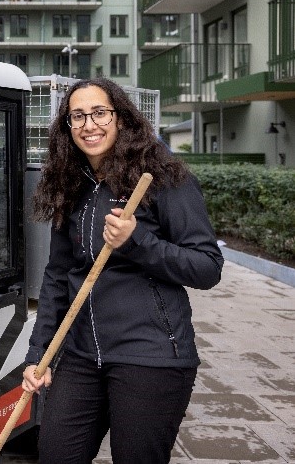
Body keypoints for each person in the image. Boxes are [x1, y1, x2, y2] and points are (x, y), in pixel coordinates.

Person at [22, 78, 224, 463]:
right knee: (55, 454)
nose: (89, 124)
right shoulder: (71, 185)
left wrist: (137, 242)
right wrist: (39, 353)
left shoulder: (164, 179)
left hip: (150, 355)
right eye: (76, 116)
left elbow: (207, 267)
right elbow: (57, 277)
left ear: (121, 118)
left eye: (100, 113)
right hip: (82, 354)